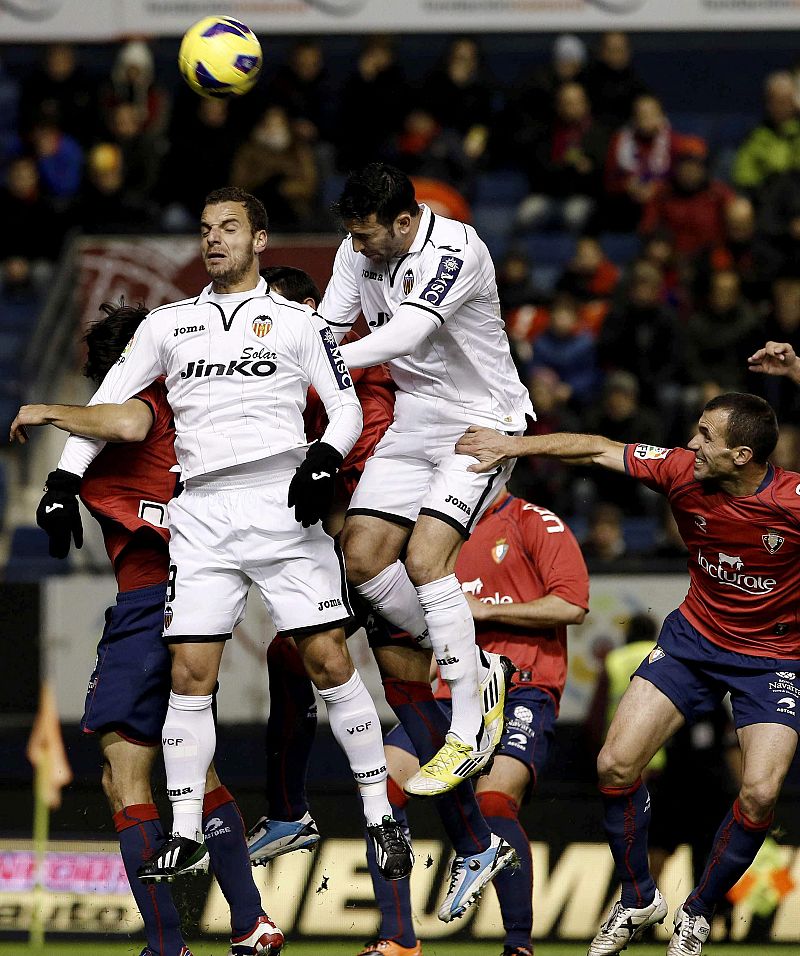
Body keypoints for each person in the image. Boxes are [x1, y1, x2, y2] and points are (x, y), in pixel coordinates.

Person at [30, 186, 413, 885]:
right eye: (206, 229)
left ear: (259, 241)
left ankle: (379, 815)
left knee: (329, 661)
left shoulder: (300, 325)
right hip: (202, 511)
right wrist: (61, 482)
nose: (214, 239)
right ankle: (184, 832)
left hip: (279, 500)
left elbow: (345, 409)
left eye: (229, 228)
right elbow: (108, 402)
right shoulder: (168, 324)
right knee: (189, 675)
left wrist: (325, 457)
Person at [456, 392, 799, 956]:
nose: (692, 444)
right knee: (614, 763)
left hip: (774, 660)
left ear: (742, 455)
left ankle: (698, 911)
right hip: (695, 641)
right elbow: (596, 450)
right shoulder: (682, 472)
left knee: (760, 793)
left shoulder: (791, 501)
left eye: (706, 436)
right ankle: (639, 895)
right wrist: (510, 445)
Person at [246, 266, 518, 925]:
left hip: (380, 539)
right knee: (408, 702)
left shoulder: (362, 372)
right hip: (358, 545)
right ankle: (477, 845)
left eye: (281, 314)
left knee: (294, 657)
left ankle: (289, 812)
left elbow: (367, 461)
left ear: (316, 310)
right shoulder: (290, 377)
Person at [10, 301, 283, 956]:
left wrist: (50, 411)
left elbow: (127, 416)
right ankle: (251, 922)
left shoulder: (145, 405)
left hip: (150, 601)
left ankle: (167, 945)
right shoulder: (191, 414)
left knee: (122, 775)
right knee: (197, 767)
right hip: (196, 600)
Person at [320, 163, 534, 799]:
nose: (358, 249)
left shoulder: (458, 248)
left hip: (484, 424)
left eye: (368, 237)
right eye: (353, 237)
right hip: (413, 426)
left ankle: (467, 730)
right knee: (359, 556)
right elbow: (330, 325)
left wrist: (314, 360)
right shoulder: (355, 247)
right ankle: (479, 665)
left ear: (405, 222)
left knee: (425, 558)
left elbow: (404, 333)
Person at [362, 485, 589, 956]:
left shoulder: (534, 522)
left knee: (494, 803)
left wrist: (487, 610)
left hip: (523, 685)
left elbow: (572, 604)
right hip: (449, 692)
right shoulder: (431, 532)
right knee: (379, 788)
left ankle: (518, 944)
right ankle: (399, 938)